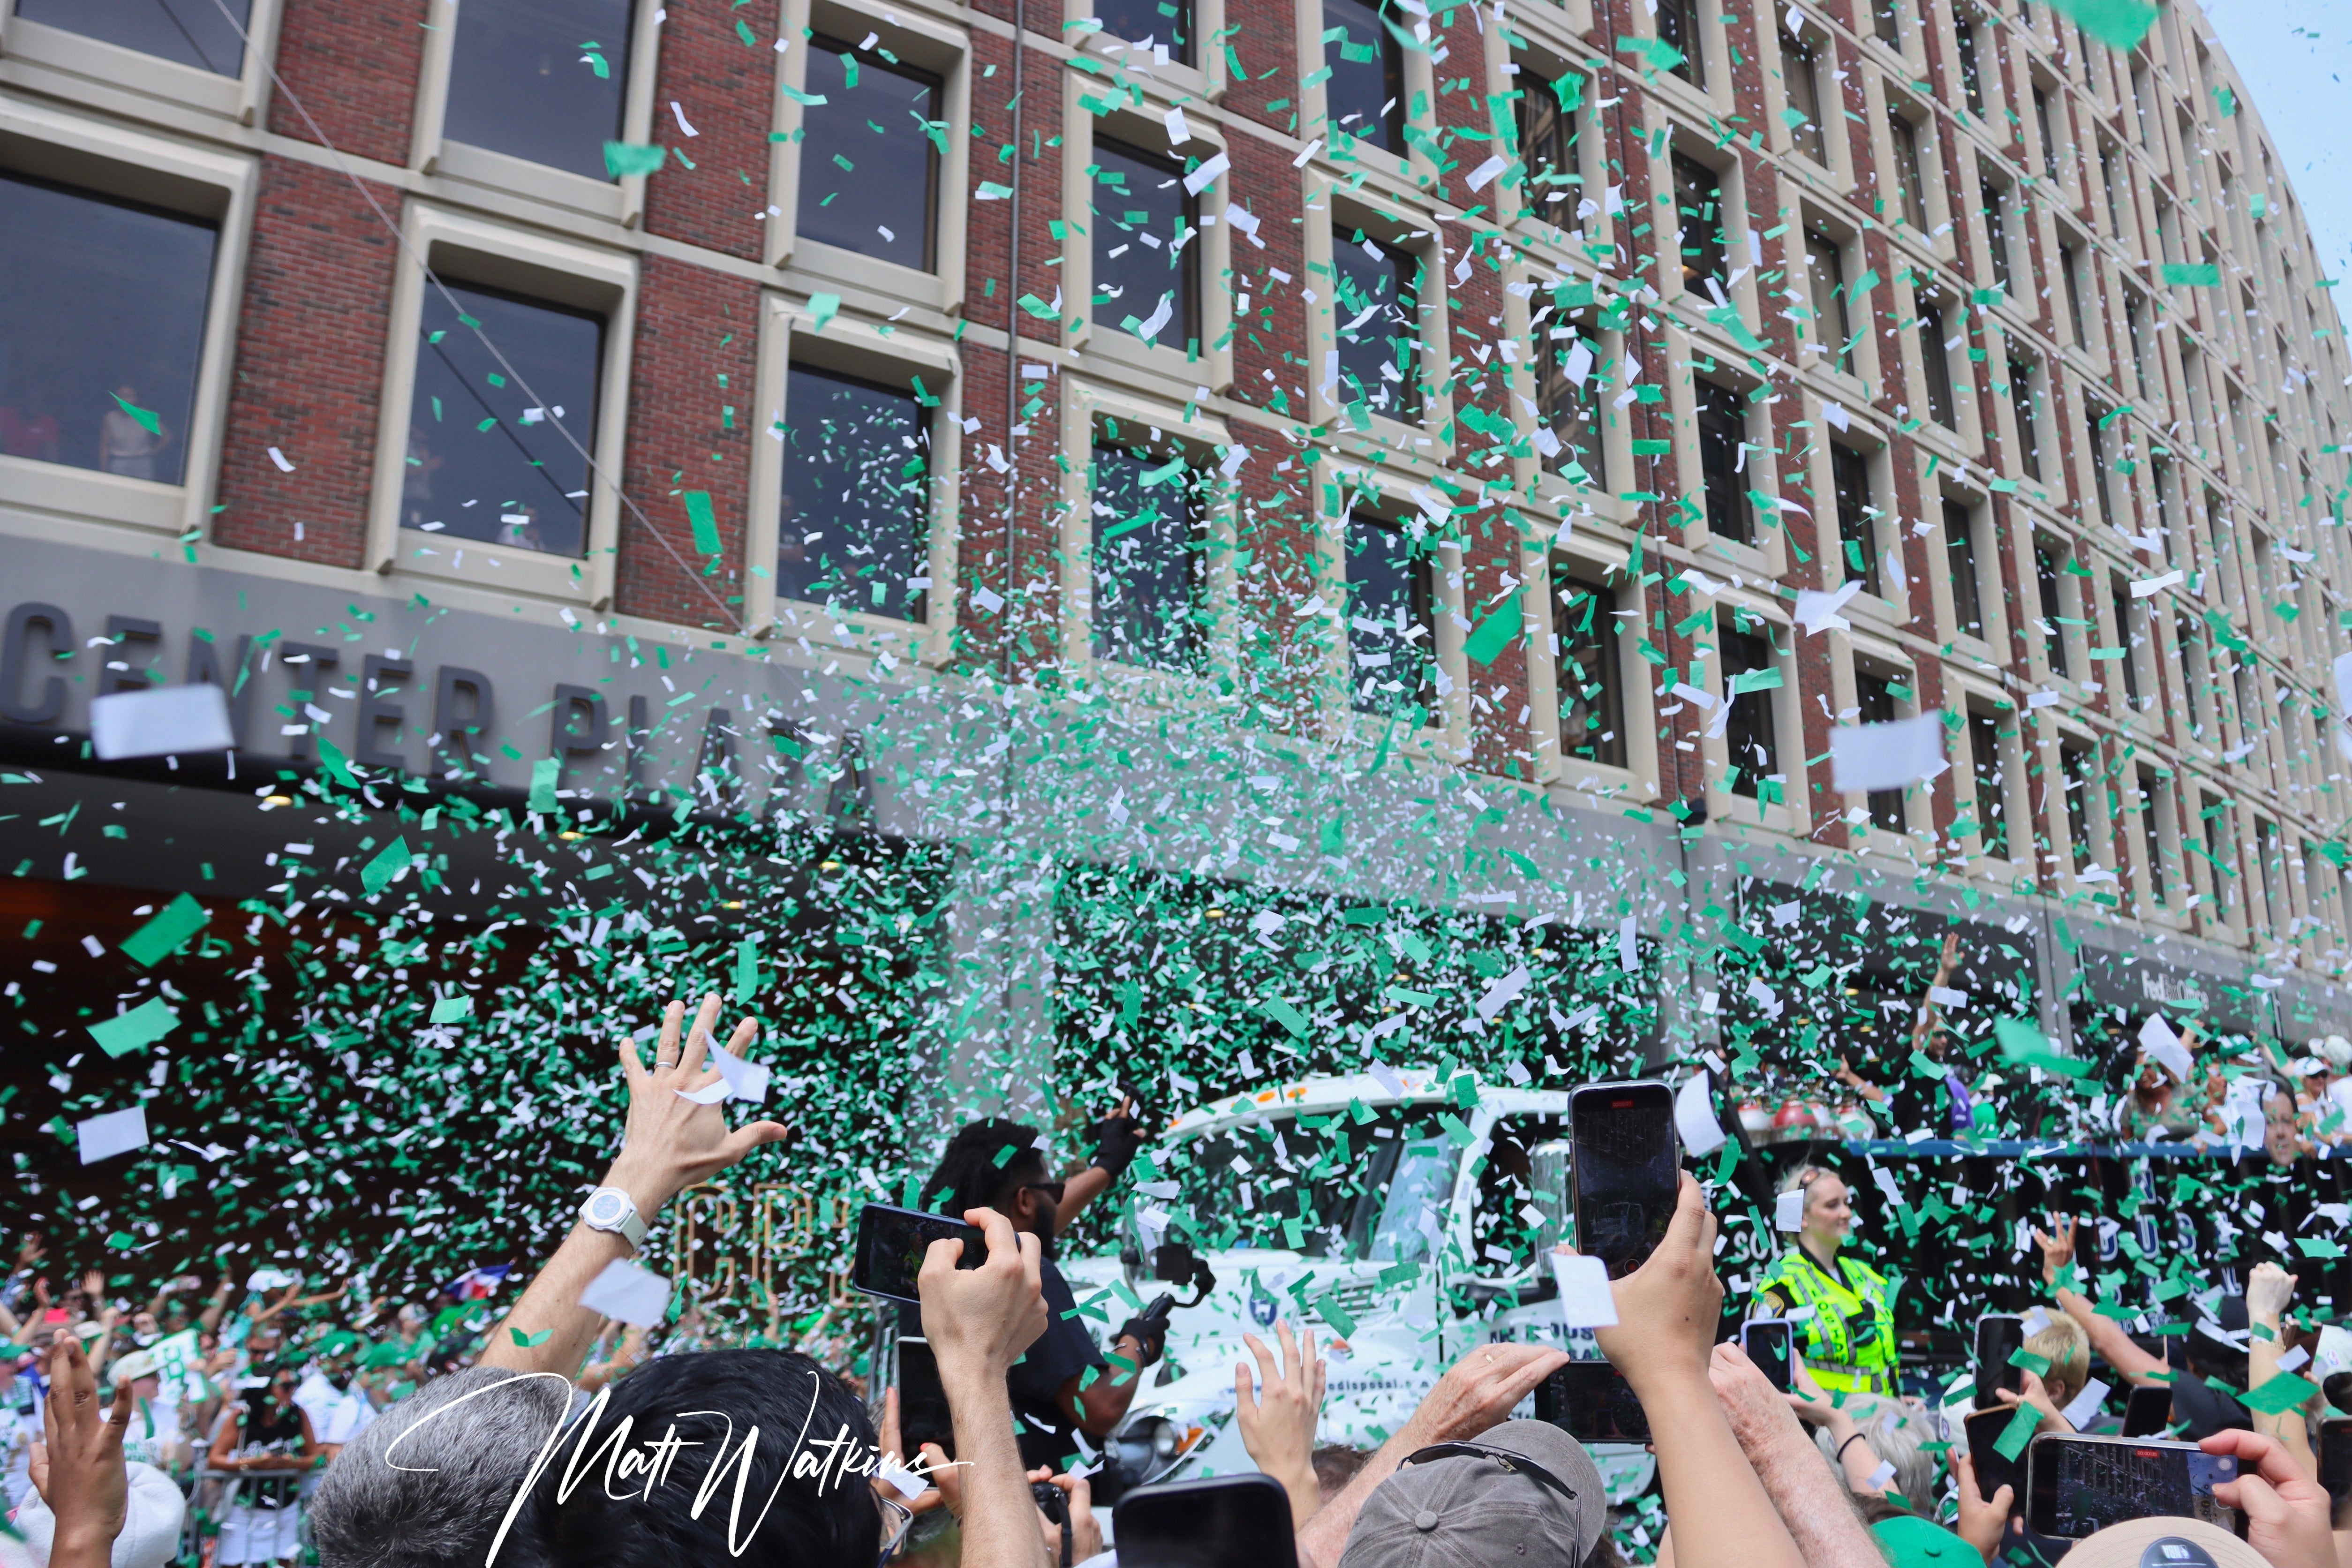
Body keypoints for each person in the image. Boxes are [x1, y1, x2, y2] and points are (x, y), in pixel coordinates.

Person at [309, 992, 792, 1568]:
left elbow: (488, 1425)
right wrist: (644, 1170)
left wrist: (641, 1169)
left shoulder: (403, 1539)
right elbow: (491, 1421)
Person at [917, 1102, 1152, 1471]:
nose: (1058, 1199)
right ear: (1024, 1200)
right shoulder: (1030, 1278)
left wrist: (1106, 1168)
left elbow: (1032, 1220)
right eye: (1052, 1190)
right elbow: (1100, 1407)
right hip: (1041, 1505)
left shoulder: (932, 1269)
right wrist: (1138, 1342)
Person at [1747, 1166, 1899, 1398]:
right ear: (1802, 1218)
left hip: (1883, 1419)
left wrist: (1897, 1400)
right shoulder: (1781, 1286)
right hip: (1822, 1429)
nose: (1847, 1213)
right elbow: (1765, 1381)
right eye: (1833, 1205)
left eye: (1847, 1202)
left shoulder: (1863, 1273)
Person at [206, 1361, 321, 1566]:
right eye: (285, 1386)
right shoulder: (243, 1416)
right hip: (244, 1508)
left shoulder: (297, 1414)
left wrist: (292, 1464)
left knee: (285, 1561)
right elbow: (215, 1459)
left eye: (294, 1385)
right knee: (233, 1562)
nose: (292, 1391)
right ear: (266, 1389)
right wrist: (252, 1463)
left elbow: (316, 1458)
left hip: (285, 1507)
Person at [96, 388, 169, 482]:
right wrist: (103, 471)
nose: (127, 400)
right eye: (123, 396)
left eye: (130, 396)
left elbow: (167, 436)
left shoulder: (144, 415)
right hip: (119, 464)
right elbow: (104, 446)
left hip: (142, 463)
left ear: (136, 399)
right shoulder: (110, 418)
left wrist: (153, 451)